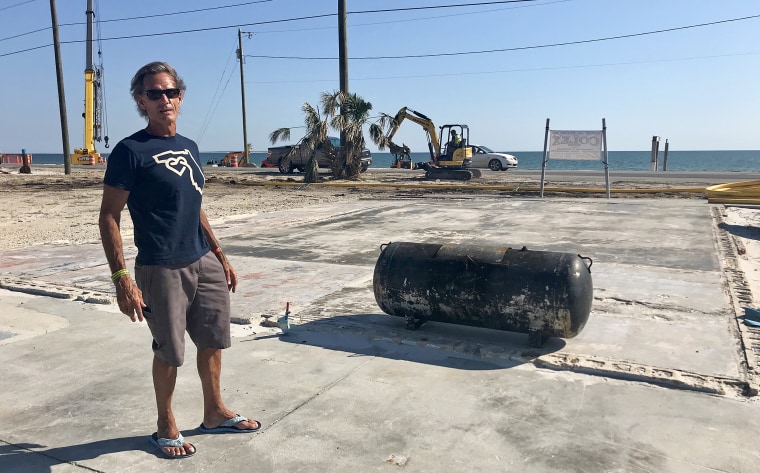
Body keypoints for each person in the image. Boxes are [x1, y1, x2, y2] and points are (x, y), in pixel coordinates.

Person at [98, 61, 260, 459]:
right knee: (169, 351)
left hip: (202, 259)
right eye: (154, 93)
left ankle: (214, 412)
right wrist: (122, 280)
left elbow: (195, 204)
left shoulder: (188, 146)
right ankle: (164, 425)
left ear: (180, 97)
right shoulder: (129, 151)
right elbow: (108, 216)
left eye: (170, 92)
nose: (164, 100)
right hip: (160, 266)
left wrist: (219, 254)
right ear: (141, 100)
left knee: (212, 340)